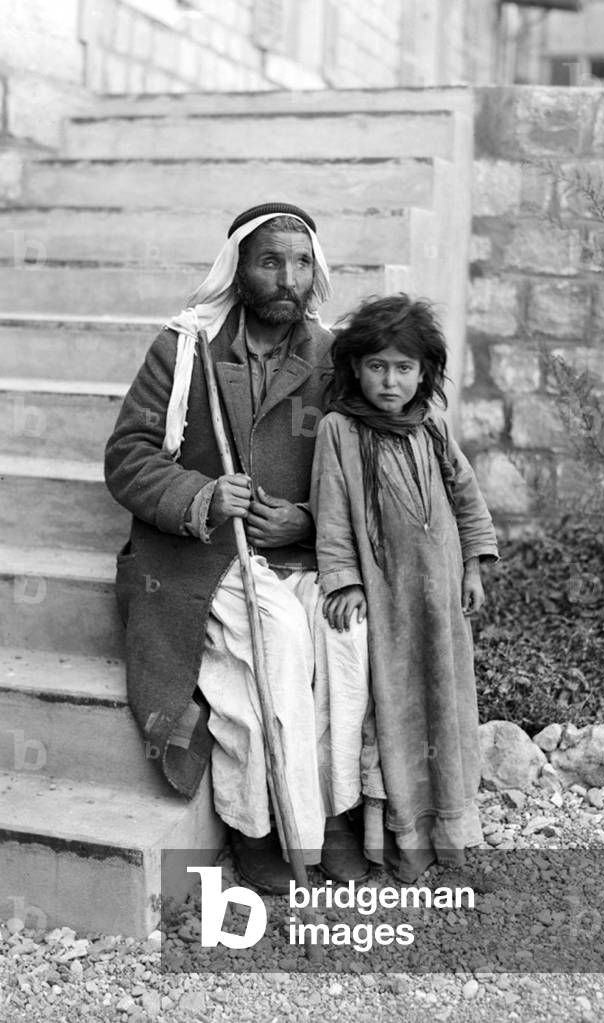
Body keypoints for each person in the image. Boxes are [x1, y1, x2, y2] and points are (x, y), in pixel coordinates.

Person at [104, 202, 370, 893]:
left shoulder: (334, 357)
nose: (288, 278)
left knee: (346, 635)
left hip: (301, 551)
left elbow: (364, 471)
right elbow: (128, 456)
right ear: (240, 269)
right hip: (205, 554)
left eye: (301, 262)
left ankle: (331, 818)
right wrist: (199, 496)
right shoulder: (185, 346)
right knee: (278, 637)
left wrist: (308, 521)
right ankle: (258, 827)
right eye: (270, 261)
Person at [309, 294, 499, 883]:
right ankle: (399, 839)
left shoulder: (434, 429)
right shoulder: (339, 431)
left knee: (445, 701)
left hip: (440, 602)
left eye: (404, 368)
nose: (390, 382)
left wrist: (472, 566)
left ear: (425, 373)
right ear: (355, 369)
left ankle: (450, 828)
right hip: (387, 600)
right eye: (377, 366)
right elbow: (332, 511)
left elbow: (467, 500)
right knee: (390, 708)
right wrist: (343, 580)